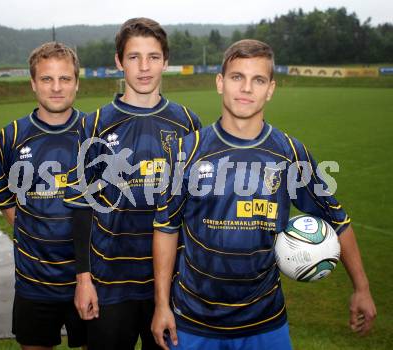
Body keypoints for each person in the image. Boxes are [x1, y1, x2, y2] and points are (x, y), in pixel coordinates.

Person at [151, 39, 376, 350]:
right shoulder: (186, 151)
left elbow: (337, 219)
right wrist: (161, 304)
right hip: (193, 321)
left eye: (258, 80)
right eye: (237, 77)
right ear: (220, 83)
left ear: (271, 88)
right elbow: (165, 229)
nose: (246, 88)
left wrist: (361, 288)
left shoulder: (289, 154)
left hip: (265, 322)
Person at [63, 18, 201, 350]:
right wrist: (83, 280)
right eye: (134, 57)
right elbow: (81, 208)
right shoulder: (94, 123)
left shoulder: (188, 123)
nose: (144, 67)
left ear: (166, 62)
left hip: (171, 285)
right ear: (118, 62)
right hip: (110, 283)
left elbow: (195, 209)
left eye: (153, 57)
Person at [0, 42, 87, 349]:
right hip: (34, 284)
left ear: (77, 82)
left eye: (65, 79)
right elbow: (6, 199)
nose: (57, 88)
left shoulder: (95, 133)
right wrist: (34, 231)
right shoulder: (12, 136)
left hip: (90, 281)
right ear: (33, 83)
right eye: (47, 79)